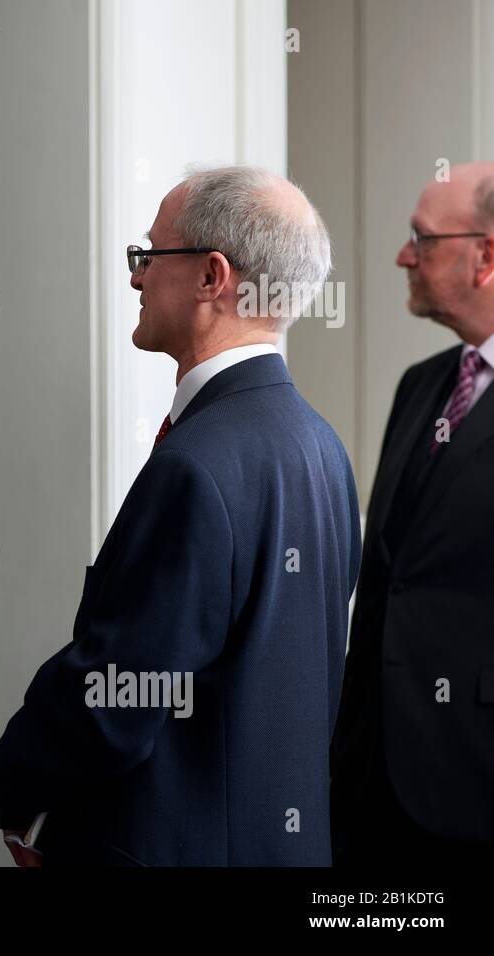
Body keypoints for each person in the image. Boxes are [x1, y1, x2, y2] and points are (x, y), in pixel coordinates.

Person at [0, 165, 360, 866]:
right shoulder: (322, 446)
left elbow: (123, 687)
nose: (135, 278)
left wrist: (13, 792)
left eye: (149, 257)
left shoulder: (198, 462)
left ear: (213, 277)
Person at [331, 162, 494, 866]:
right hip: (372, 786)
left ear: (486, 256)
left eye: (421, 240)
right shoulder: (423, 386)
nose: (404, 255)